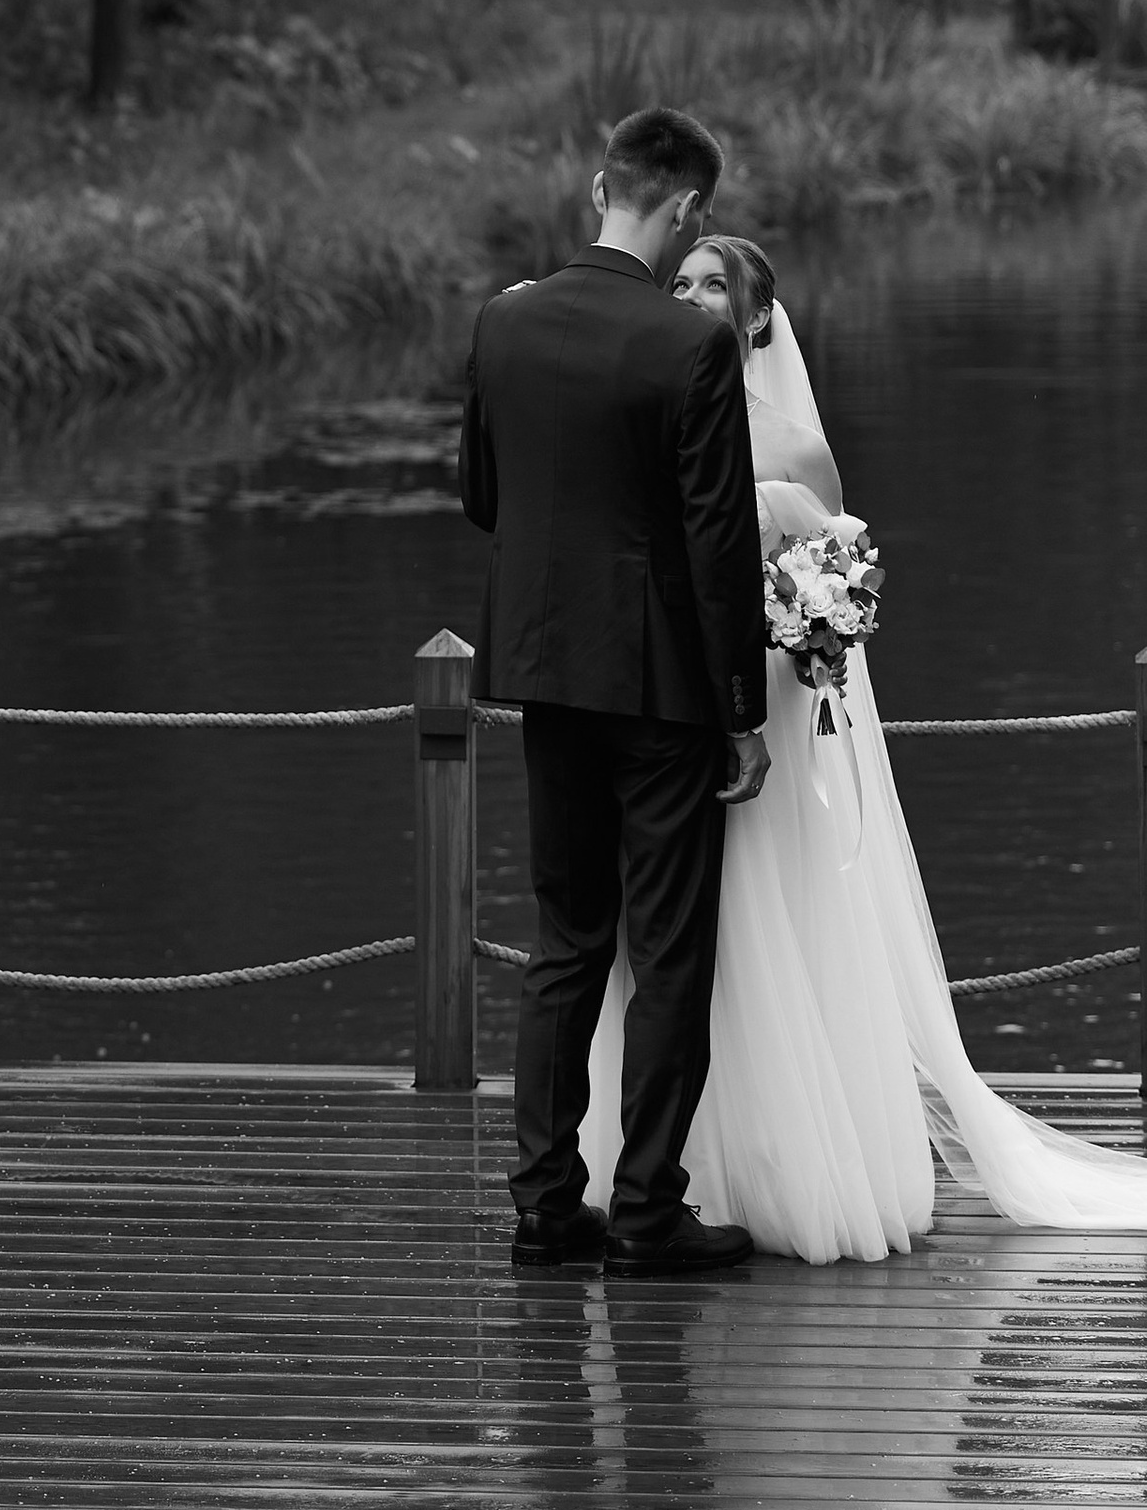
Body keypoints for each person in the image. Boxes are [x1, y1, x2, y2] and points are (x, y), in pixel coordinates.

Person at [572, 230, 1147, 1255]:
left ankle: (790, 1170)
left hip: (767, 732)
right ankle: (658, 1170)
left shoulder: (792, 449)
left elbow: (835, 593)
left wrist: (801, 630)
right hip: (664, 725)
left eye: (717, 286)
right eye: (683, 282)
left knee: (769, 933)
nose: (695, 297)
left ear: (755, 318)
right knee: (660, 949)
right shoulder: (641, 421)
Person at [458, 105, 773, 1277]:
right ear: (687, 208)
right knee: (669, 949)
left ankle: (544, 1205)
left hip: (544, 670)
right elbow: (715, 543)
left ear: (600, 184)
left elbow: (483, 496)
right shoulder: (690, 346)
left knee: (566, 940)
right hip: (659, 685)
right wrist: (739, 709)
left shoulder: (504, 320)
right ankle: (645, 1210)